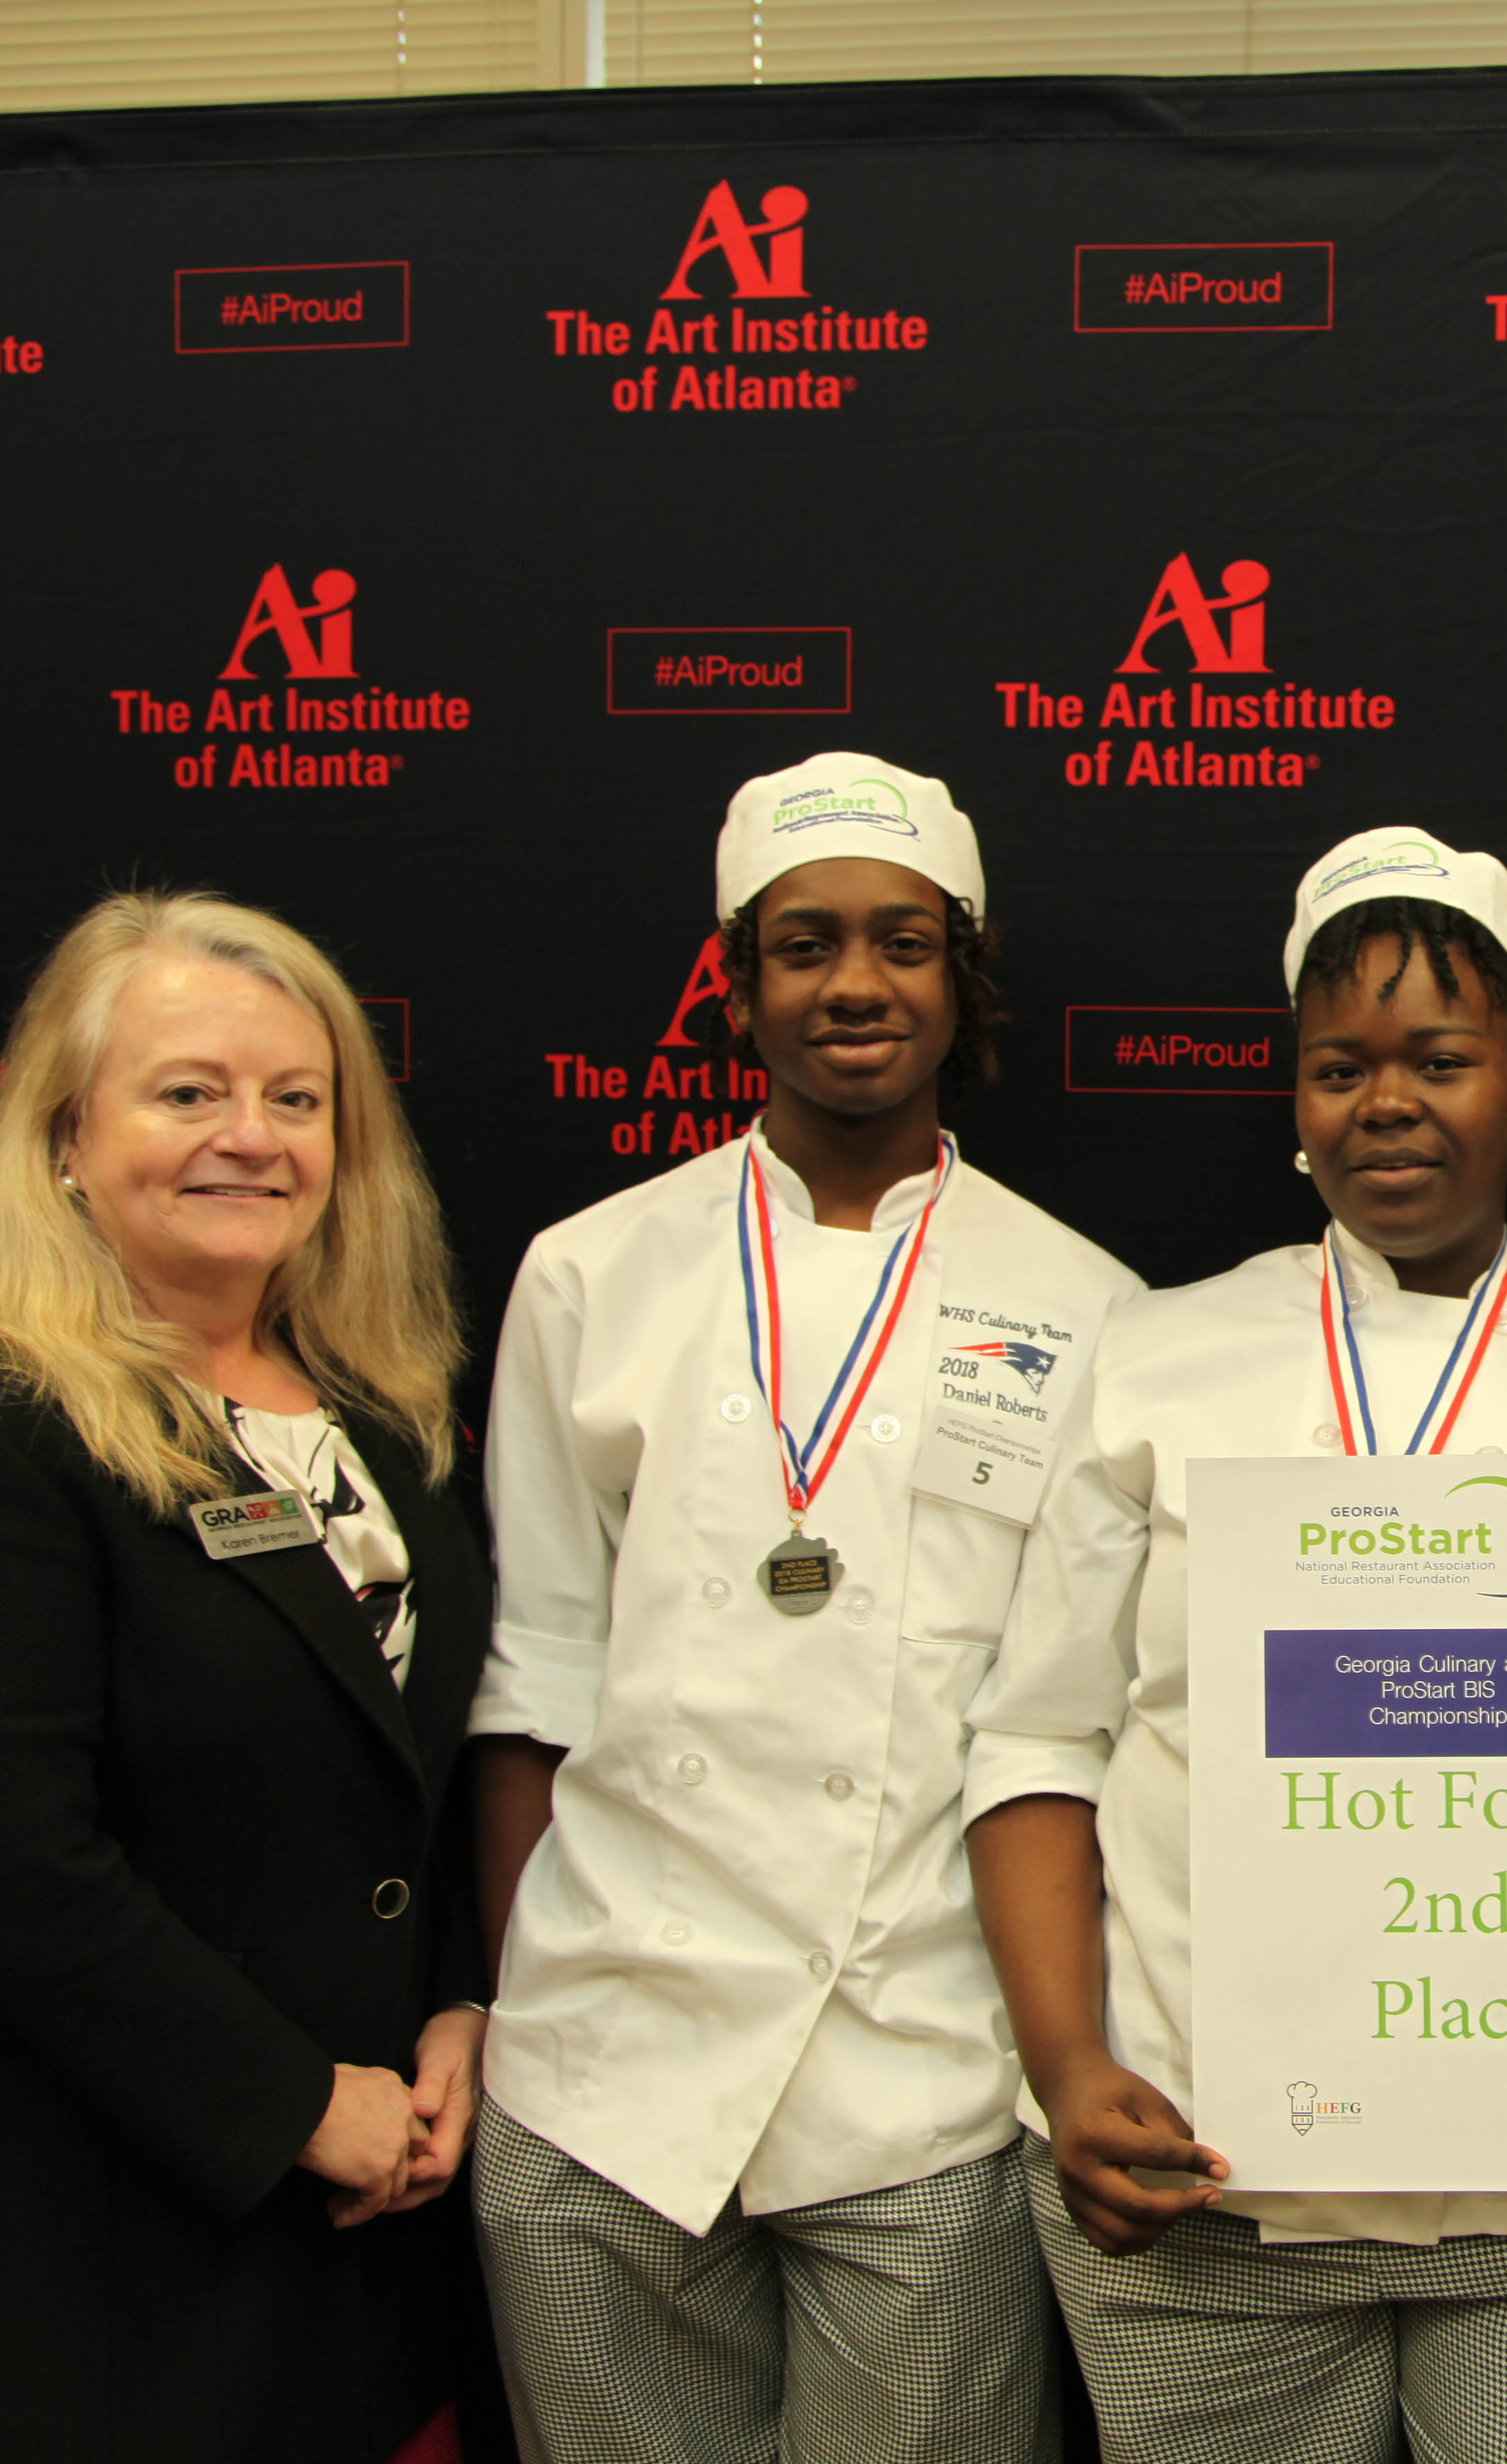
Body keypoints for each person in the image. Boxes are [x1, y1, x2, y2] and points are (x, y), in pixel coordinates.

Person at [962, 825, 1507, 2464]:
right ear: (1296, 1100)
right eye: (1340, 1067)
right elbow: (1041, 1740)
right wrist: (1066, 2065)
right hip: (1205, 2186)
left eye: (1440, 1060)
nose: (1386, 1102)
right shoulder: (1160, 1358)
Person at [465, 752, 1137, 2464]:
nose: (854, 984)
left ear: (960, 978)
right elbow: (537, 1680)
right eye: (804, 944)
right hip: (602, 2076)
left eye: (903, 943)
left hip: (922, 2078)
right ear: (737, 982)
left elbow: (1068, 1728)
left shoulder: (1086, 1306)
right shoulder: (591, 1271)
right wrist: (525, 2002)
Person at [0, 888, 487, 2464]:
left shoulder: (377, 1422)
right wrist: (298, 2105)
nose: (251, 1137)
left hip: (354, 2243)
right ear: (63, 1138)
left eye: (295, 1099)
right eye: (188, 1092)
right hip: (73, 2249)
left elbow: (410, 1772)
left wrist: (460, 2002)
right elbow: (13, 1873)